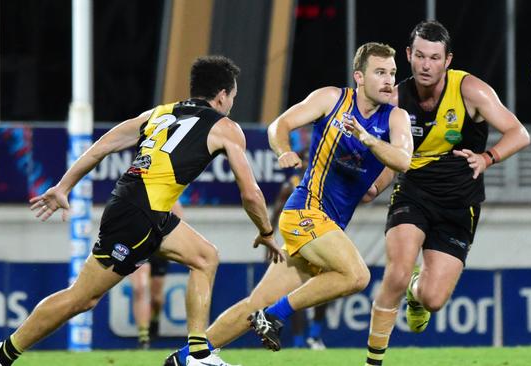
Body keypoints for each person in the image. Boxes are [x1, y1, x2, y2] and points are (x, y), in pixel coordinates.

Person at [0, 55, 284, 366]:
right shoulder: (225, 127)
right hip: (138, 213)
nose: (232, 104)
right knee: (82, 297)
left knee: (204, 257)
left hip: (142, 208)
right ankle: (1, 353)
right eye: (233, 97)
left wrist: (64, 186)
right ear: (222, 95)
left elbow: (103, 144)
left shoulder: (158, 114)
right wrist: (266, 232)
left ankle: (197, 355)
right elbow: (251, 194)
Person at [164, 42, 413, 366]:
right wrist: (283, 149)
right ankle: (274, 316)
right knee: (357, 276)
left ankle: (184, 358)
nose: (388, 80)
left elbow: (404, 161)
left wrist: (368, 143)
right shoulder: (332, 99)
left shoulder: (396, 118)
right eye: (380, 72)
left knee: (252, 305)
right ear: (359, 77)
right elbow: (278, 126)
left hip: (326, 228)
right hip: (304, 212)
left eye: (392, 73)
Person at [362, 21, 531, 366]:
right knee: (397, 270)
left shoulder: (471, 90)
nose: (426, 65)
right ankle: (373, 361)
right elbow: (393, 158)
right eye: (420, 56)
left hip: (459, 203)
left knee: (434, 298)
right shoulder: (395, 100)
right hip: (413, 193)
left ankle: (415, 293)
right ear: (408, 56)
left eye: (435, 58)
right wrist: (376, 186)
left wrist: (488, 157)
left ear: (447, 60)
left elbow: (519, 133)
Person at [269, 149, 329, 350]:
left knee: (326, 288)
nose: (306, 162)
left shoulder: (323, 182)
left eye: (308, 159)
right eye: (303, 160)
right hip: (298, 242)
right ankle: (298, 340)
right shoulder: (292, 184)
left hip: (320, 238)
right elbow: (276, 212)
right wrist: (269, 238)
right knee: (296, 291)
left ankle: (315, 335)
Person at [130, 201, 183, 349]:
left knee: (156, 297)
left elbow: (179, 223)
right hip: (138, 247)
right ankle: (143, 338)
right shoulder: (130, 192)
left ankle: (154, 318)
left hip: (159, 248)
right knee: (140, 288)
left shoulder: (168, 194)